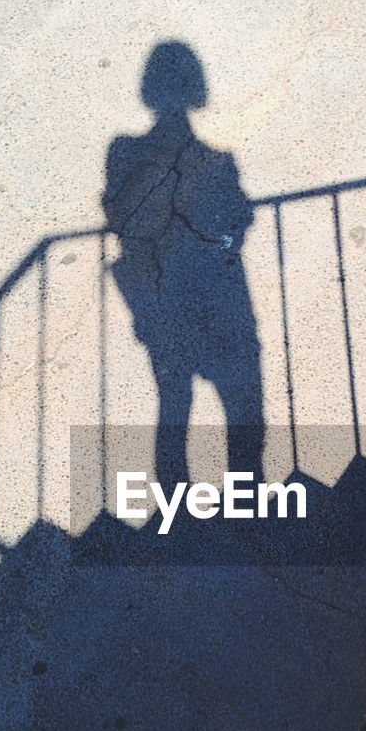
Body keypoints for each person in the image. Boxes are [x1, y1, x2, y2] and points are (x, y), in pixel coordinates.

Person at [103, 41, 264, 490]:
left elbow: (115, 214)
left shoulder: (124, 152)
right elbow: (241, 218)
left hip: (166, 298)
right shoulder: (216, 163)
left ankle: (179, 502)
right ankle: (241, 500)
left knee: (175, 402)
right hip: (213, 295)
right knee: (235, 405)